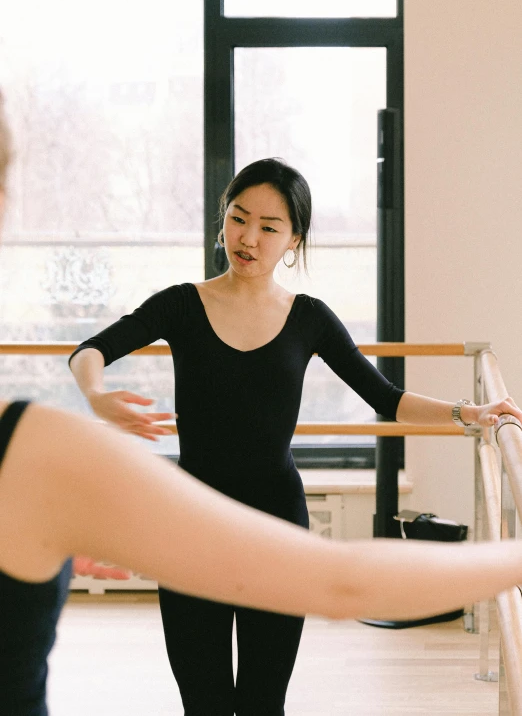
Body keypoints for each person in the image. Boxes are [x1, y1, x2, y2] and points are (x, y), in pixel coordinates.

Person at [67, 153, 522, 716]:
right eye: (238, 218)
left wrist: (470, 413)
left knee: (263, 700)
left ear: (294, 241)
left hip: (277, 524)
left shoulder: (309, 317)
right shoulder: (183, 304)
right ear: (222, 221)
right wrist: (97, 397)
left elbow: (386, 397)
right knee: (202, 700)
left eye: (268, 227)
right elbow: (89, 350)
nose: (248, 237)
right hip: (187, 522)